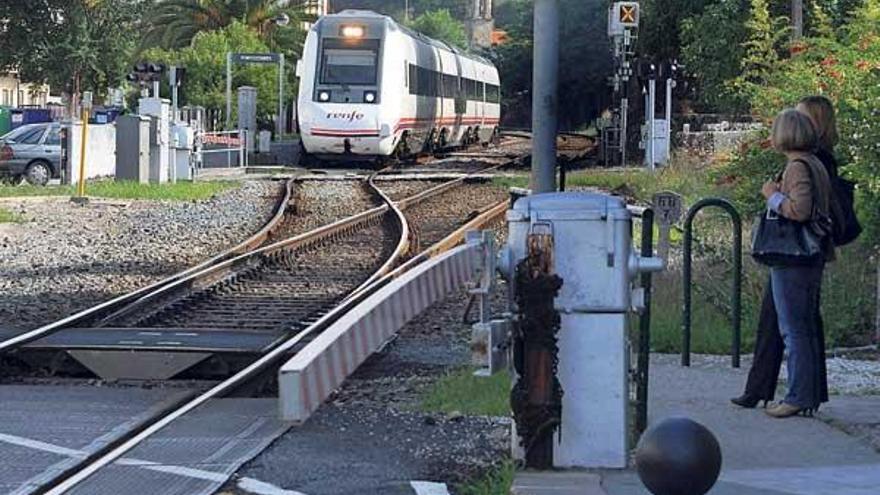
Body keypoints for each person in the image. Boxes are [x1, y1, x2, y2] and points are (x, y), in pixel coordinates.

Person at [732, 97, 838, 411]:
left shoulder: (797, 166)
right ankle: (802, 395)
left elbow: (799, 209)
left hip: (793, 255)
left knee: (793, 330)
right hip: (807, 256)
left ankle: (797, 396)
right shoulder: (815, 163)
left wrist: (773, 196)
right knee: (800, 327)